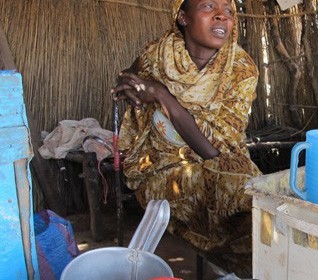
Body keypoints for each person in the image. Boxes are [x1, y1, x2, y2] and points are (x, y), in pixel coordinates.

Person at [111, 0, 261, 275]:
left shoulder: (240, 69)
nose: (222, 16)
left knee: (254, 199)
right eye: (208, 6)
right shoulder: (158, 55)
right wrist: (131, 86)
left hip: (219, 161)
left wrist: (160, 95)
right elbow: (127, 76)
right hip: (158, 169)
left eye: (229, 11)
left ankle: (245, 268)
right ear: (182, 17)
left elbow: (215, 152)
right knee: (247, 199)